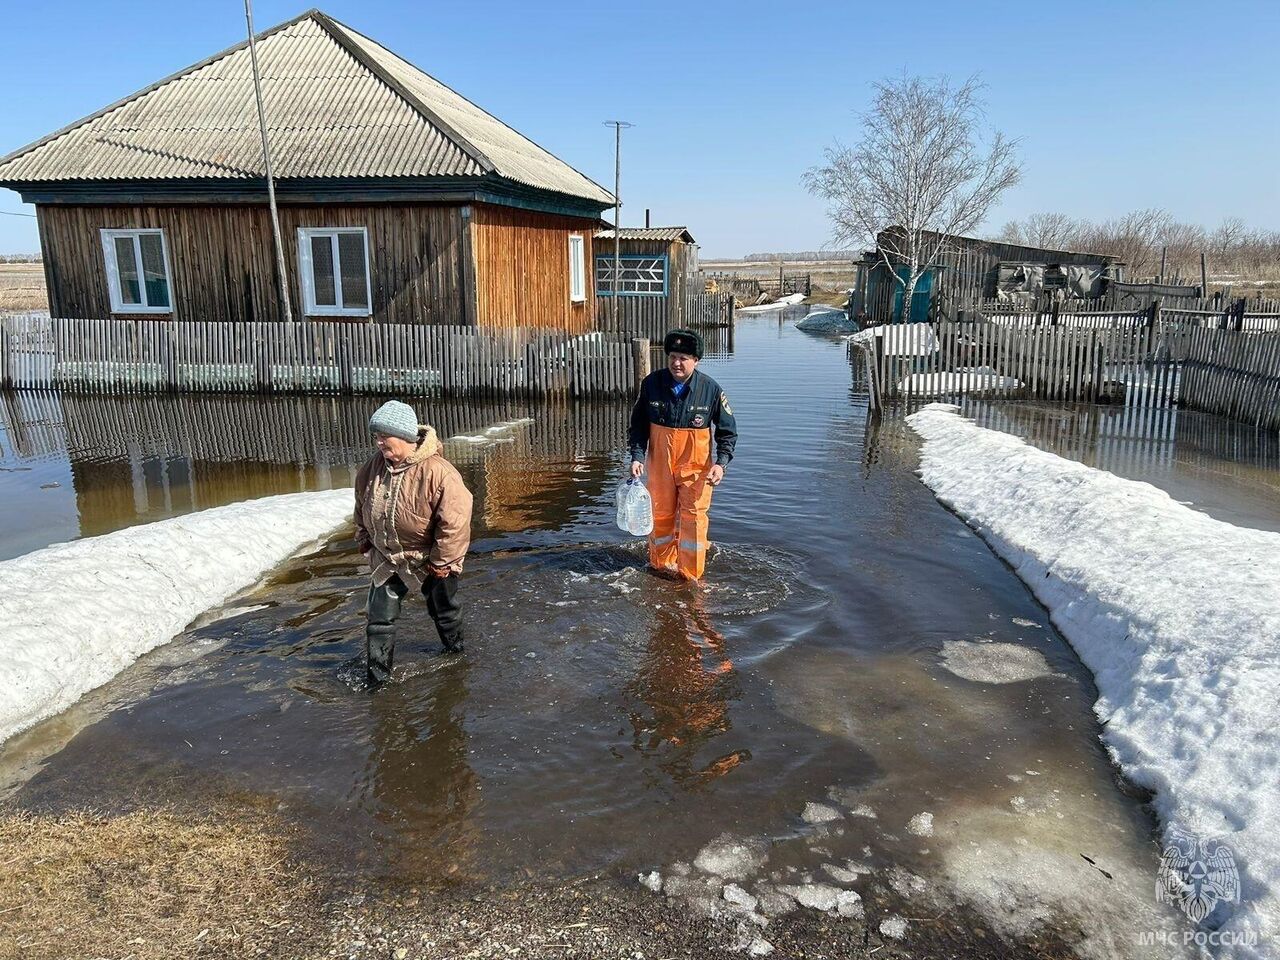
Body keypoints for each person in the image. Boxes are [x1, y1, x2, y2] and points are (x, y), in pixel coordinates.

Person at [354, 400, 473, 684]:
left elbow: (455, 522)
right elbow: (361, 503)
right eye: (376, 435)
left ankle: (455, 652)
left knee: (444, 611)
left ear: (405, 436)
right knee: (378, 620)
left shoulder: (439, 472)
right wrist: (363, 535)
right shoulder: (372, 467)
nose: (379, 441)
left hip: (431, 559)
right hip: (388, 557)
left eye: (384, 435)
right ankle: (377, 679)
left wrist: (443, 562)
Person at [628, 329, 737, 580]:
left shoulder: (710, 390)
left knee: (694, 518)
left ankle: (691, 577)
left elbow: (728, 432)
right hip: (660, 466)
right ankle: (660, 568)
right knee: (660, 514)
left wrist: (720, 464)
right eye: (673, 356)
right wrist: (636, 456)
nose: (676, 363)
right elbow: (638, 426)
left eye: (684, 358)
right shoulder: (651, 385)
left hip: (696, 468)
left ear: (696, 360)